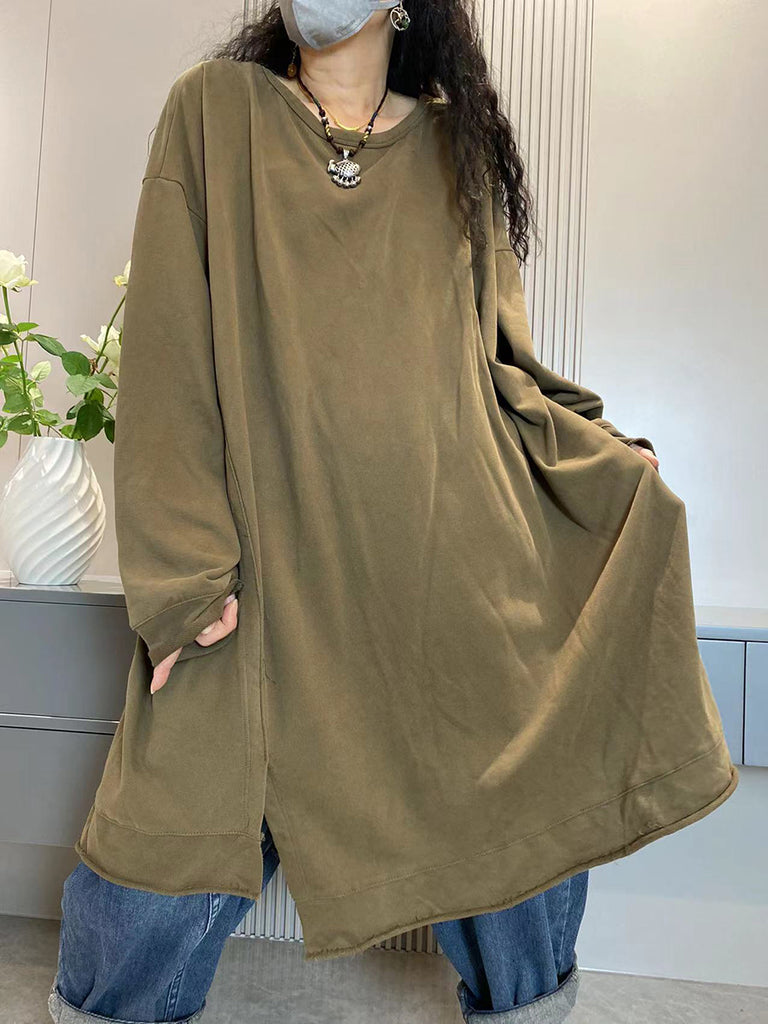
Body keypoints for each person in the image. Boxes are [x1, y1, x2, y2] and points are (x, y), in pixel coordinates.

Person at [48, 1, 738, 1021]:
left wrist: (600, 455)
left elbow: (499, 366)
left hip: (448, 579)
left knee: (517, 866)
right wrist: (184, 577)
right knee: (146, 889)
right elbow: (166, 351)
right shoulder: (215, 112)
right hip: (259, 591)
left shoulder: (456, 151)